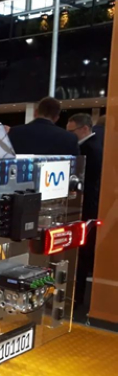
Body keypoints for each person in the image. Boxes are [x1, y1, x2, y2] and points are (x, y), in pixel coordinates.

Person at [66, 113, 104, 306]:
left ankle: (75, 296)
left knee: (81, 253)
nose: (69, 136)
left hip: (85, 208)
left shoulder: (90, 150)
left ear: (84, 129)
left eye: (71, 132)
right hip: (88, 206)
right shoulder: (93, 146)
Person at [8, 97, 80, 156]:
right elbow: (76, 165)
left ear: (35, 112)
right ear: (56, 118)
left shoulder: (14, 132)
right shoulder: (69, 138)